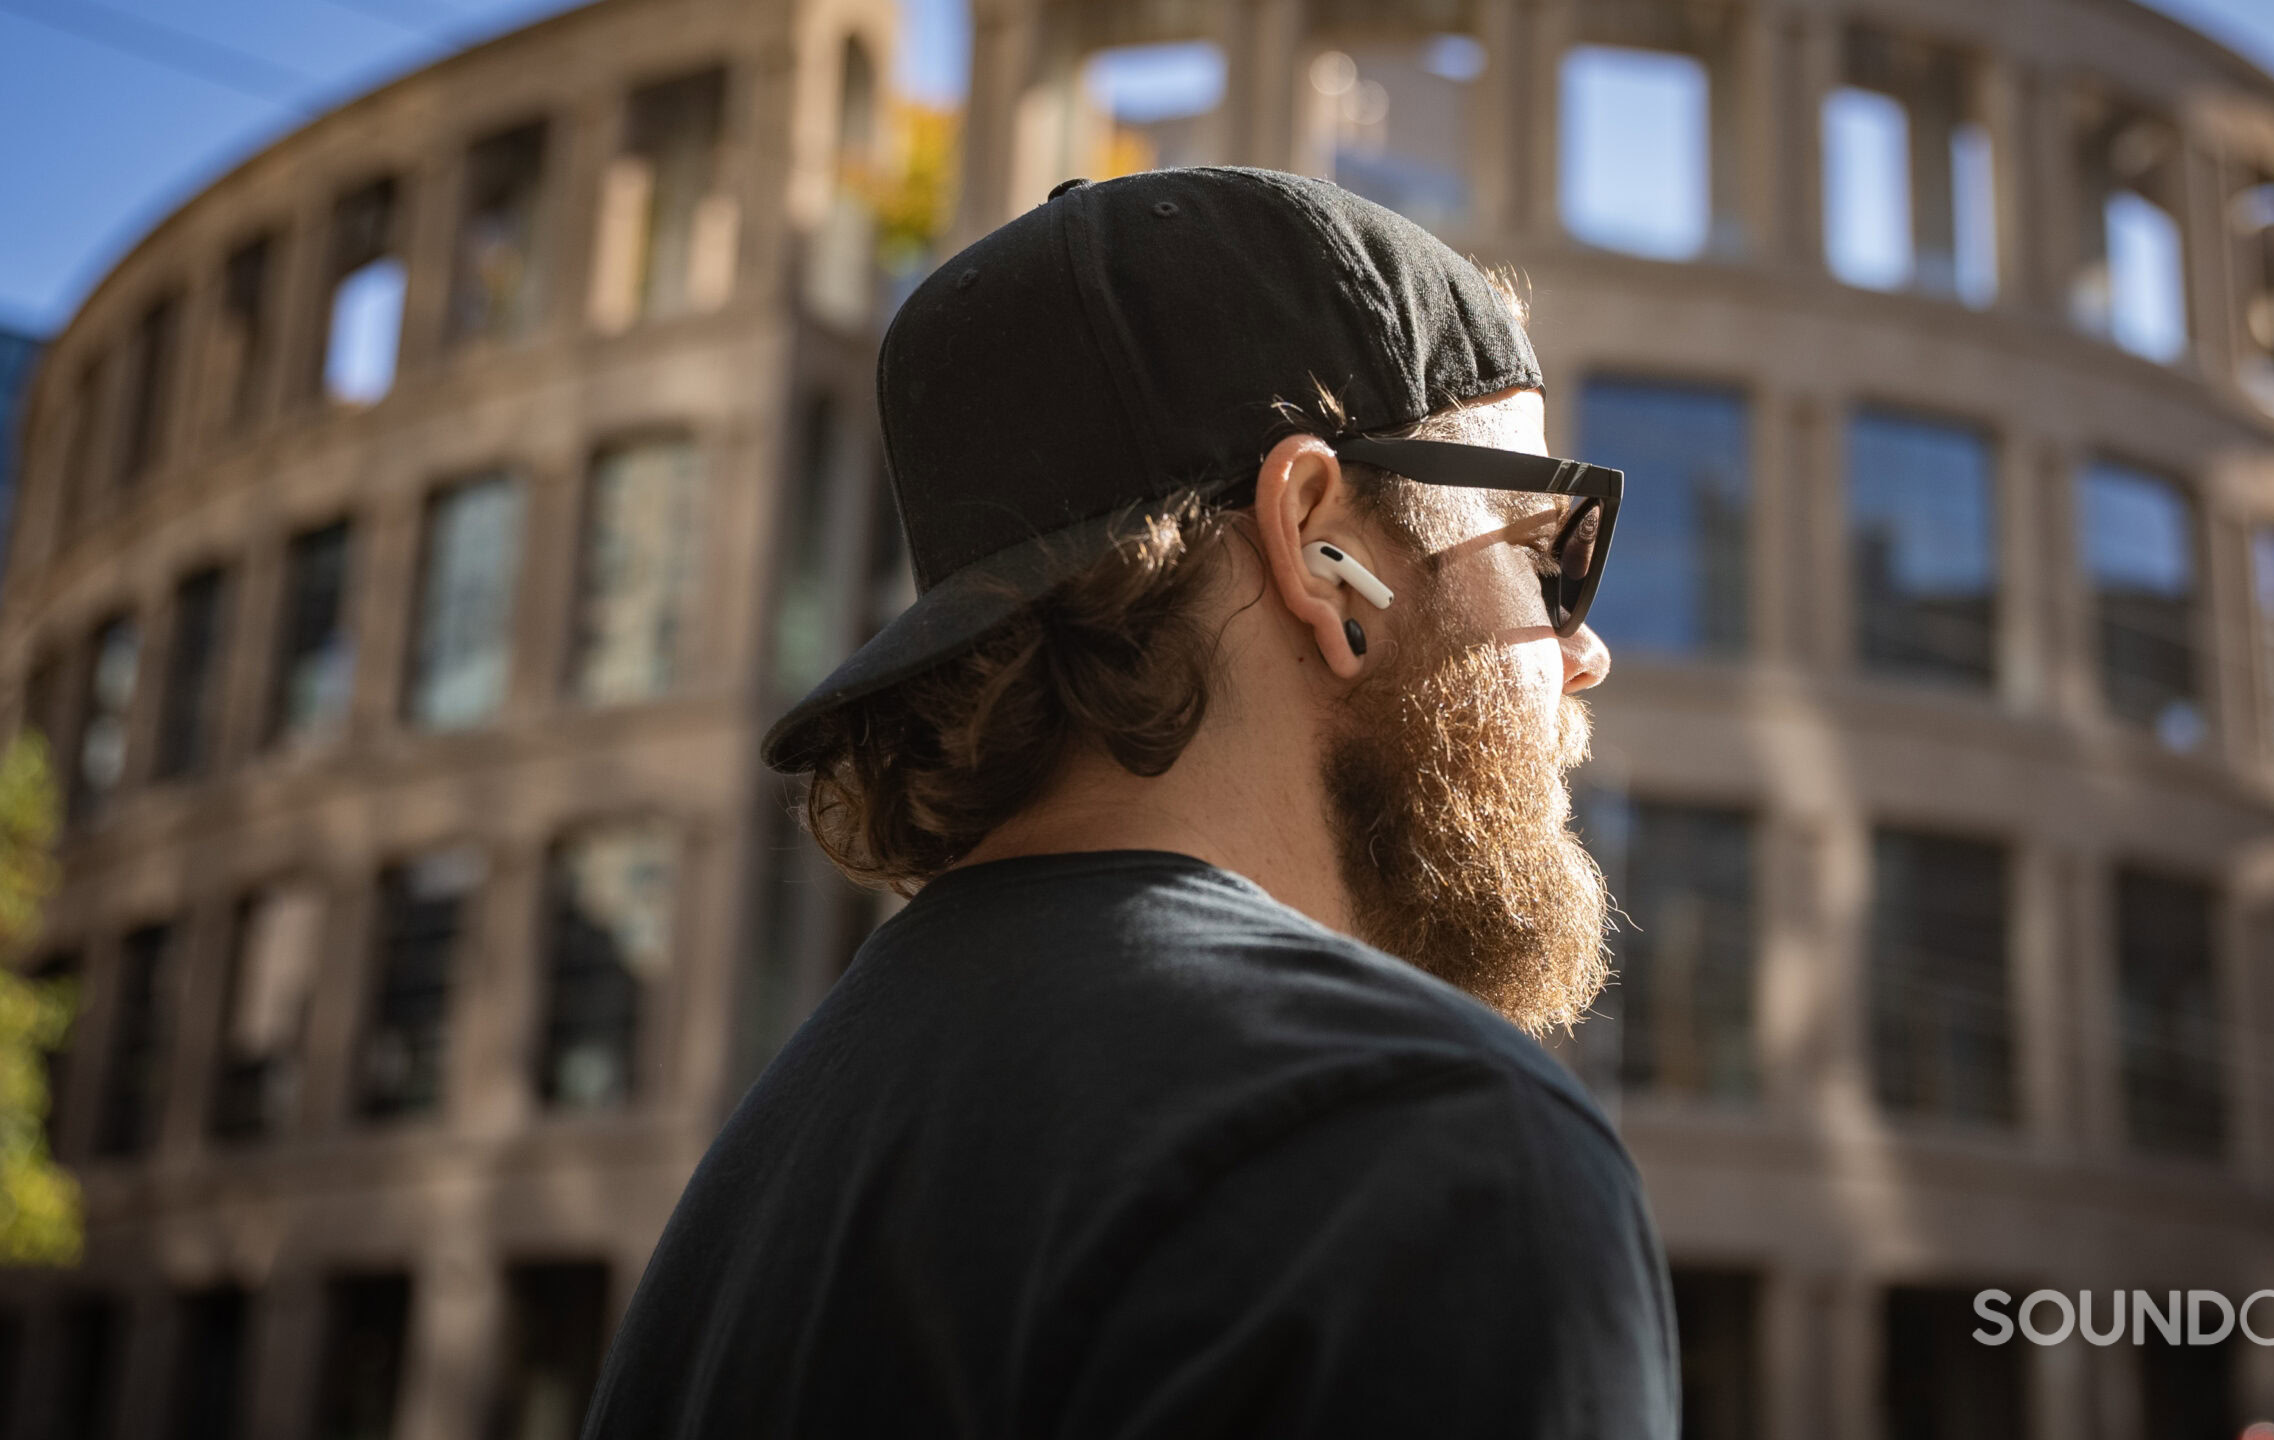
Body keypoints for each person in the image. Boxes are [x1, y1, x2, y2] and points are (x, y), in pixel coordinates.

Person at [583, 166, 1677, 1437]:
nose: (1581, 652)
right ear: (1324, 551)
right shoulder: (1417, 1141)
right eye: (1544, 553)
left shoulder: (770, 1181)